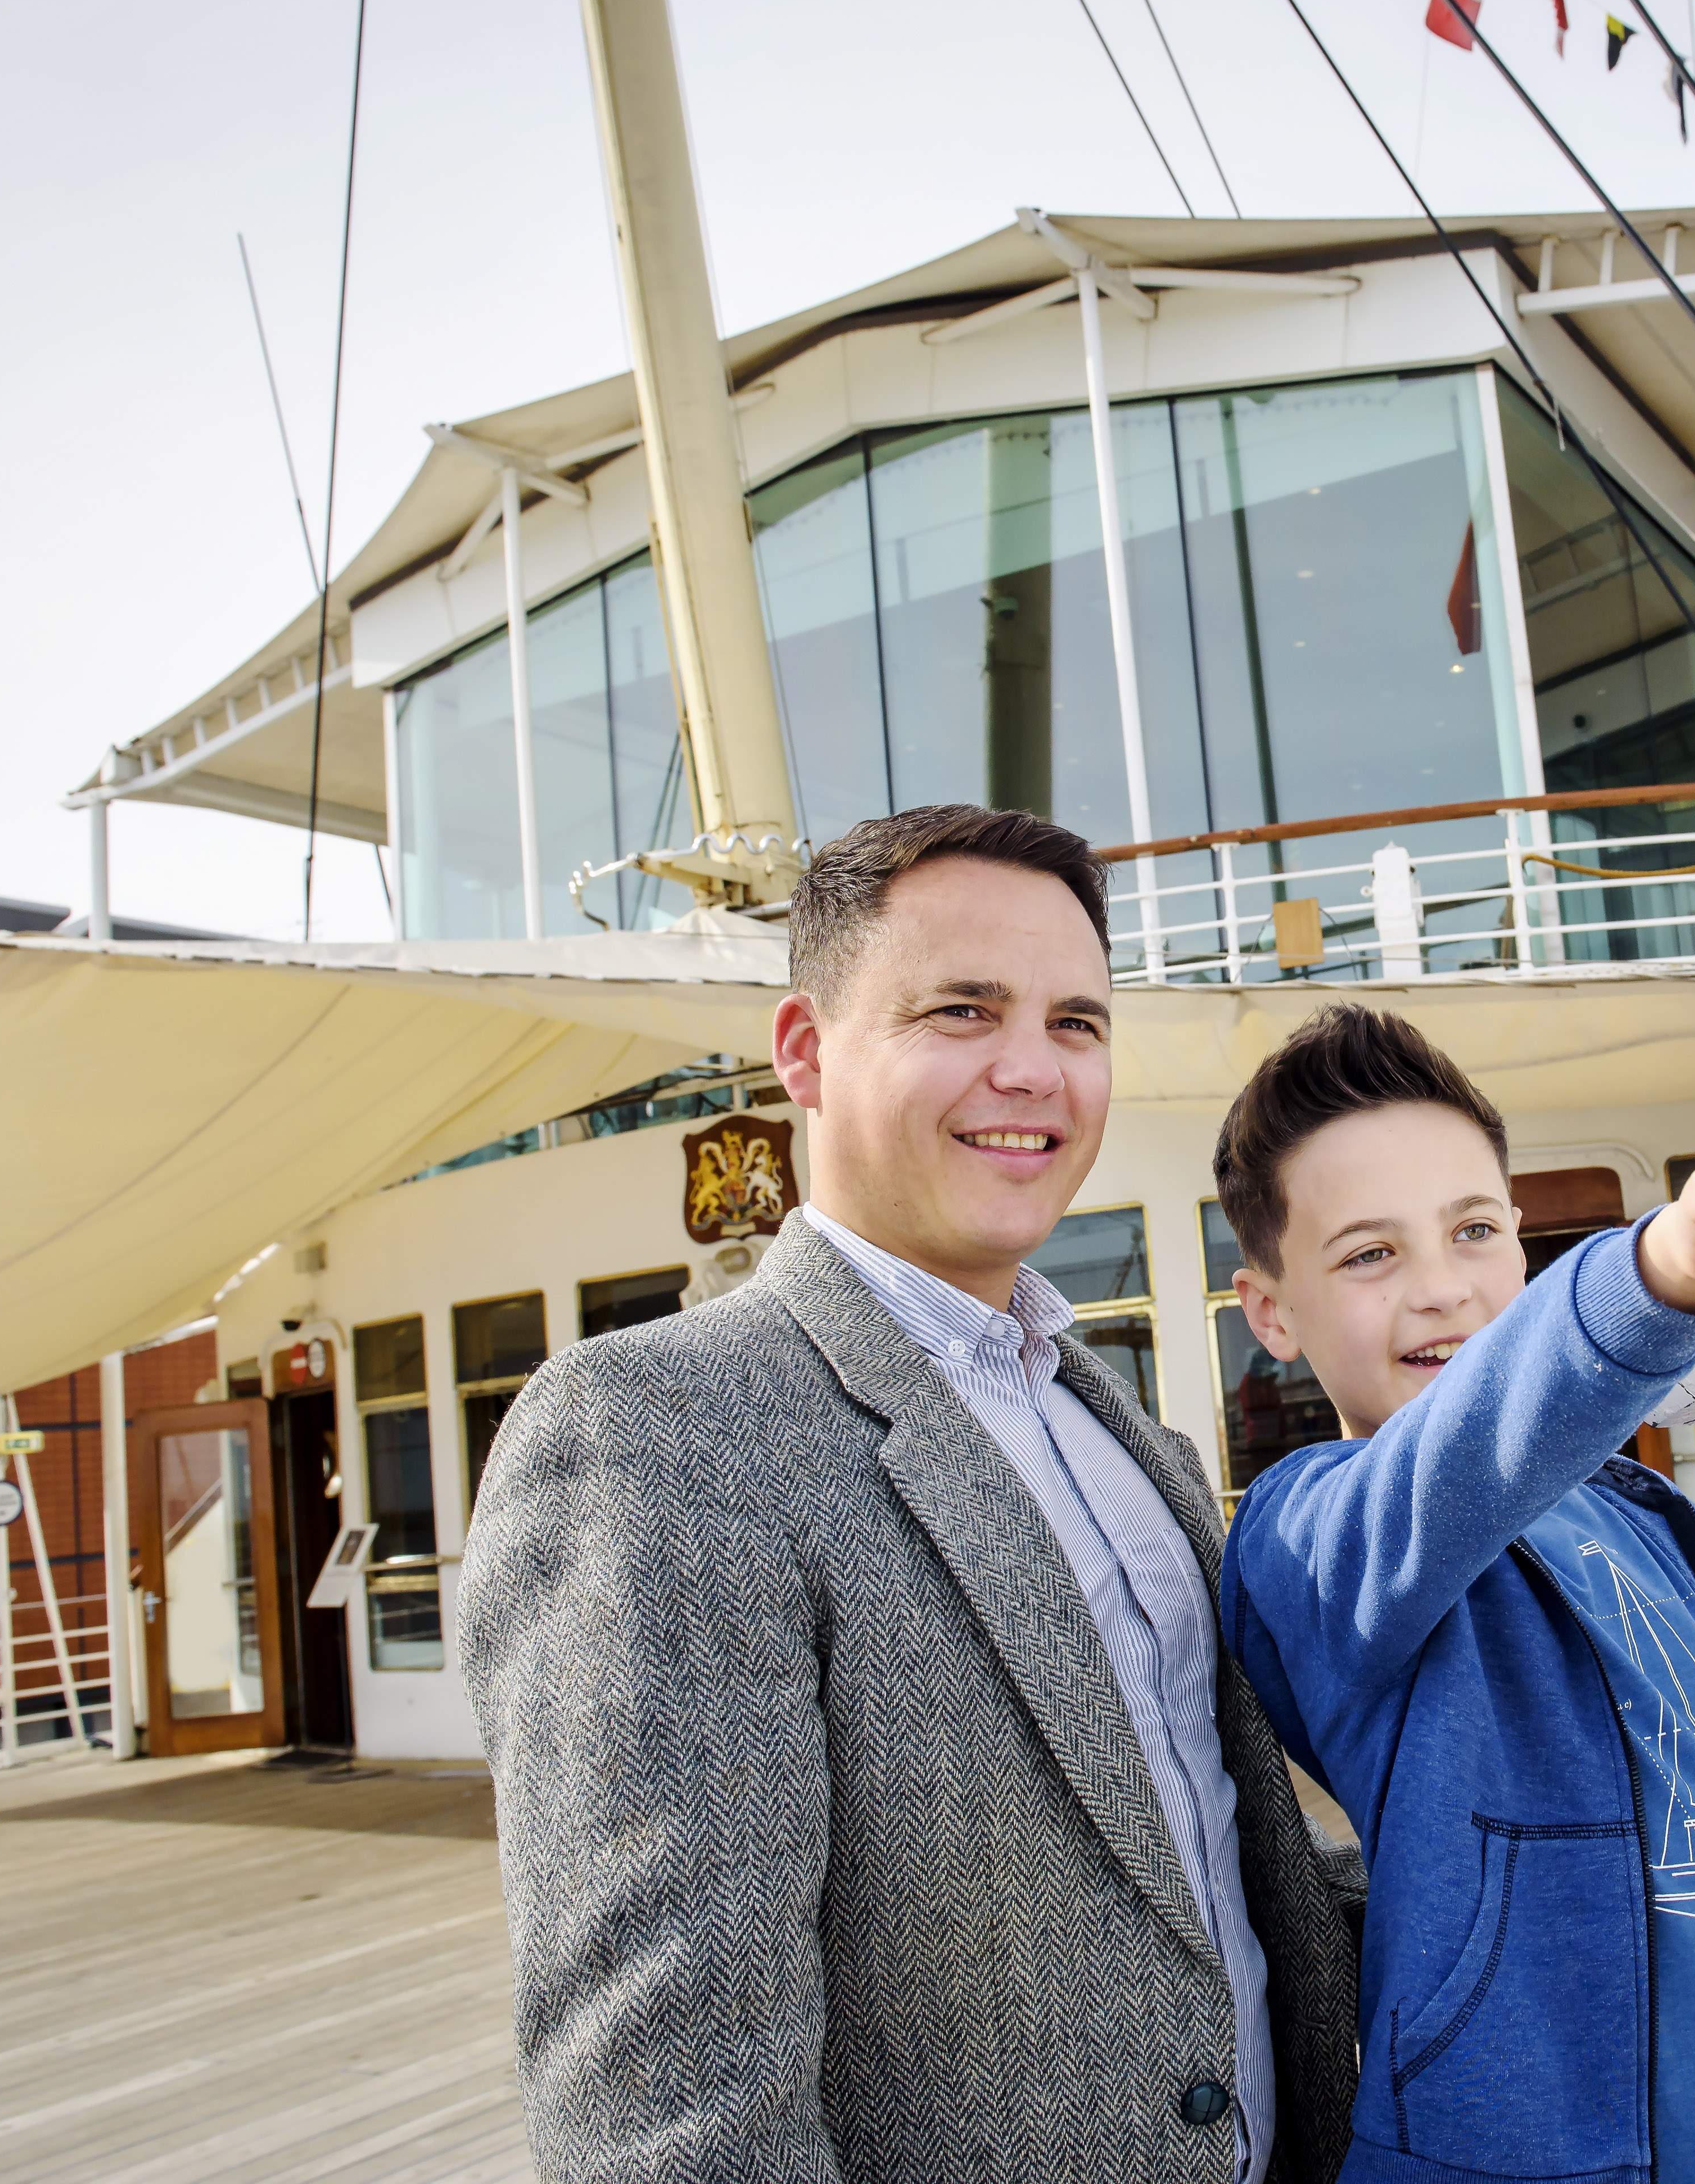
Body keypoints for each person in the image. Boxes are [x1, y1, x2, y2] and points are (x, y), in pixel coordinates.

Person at [459, 805, 1362, 2184]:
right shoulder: (652, 1432)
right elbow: (673, 2100)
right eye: (961, 1010)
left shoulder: (1121, 1427)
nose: (1034, 1071)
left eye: (1077, 1022)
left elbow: (1214, 1860)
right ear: (806, 1053)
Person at [1214, 1005, 1695, 2184]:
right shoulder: (1308, 1536)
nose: (1440, 1291)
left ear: (1519, 1246)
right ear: (1269, 1312)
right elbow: (1468, 1459)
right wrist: (1660, 1268)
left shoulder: (1641, 1511)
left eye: (1471, 1231)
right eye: (1369, 1253)